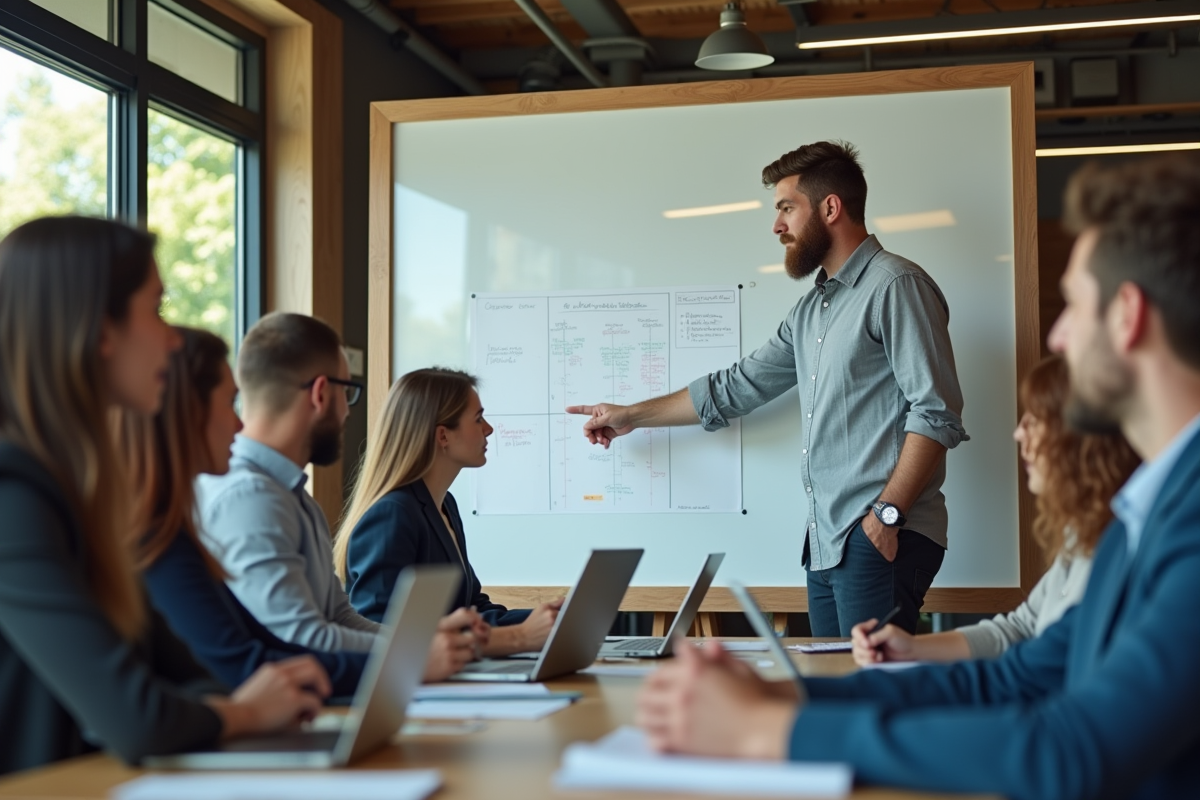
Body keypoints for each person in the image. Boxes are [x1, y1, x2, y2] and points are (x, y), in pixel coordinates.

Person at [635, 154, 1200, 799]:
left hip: (874, 532)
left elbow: (1068, 751)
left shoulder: (1184, 522)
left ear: (1127, 316)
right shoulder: (1138, 518)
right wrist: (792, 699)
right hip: (826, 535)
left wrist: (774, 731)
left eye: (1073, 305)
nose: (1060, 337)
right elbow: (1015, 676)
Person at [568, 141, 968, 636]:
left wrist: (886, 516)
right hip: (828, 541)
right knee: (832, 688)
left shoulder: (895, 285)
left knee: (870, 694)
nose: (777, 226)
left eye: (785, 208)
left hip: (880, 534)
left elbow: (936, 411)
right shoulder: (811, 312)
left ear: (830, 207)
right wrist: (630, 414)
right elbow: (738, 385)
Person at [0, 217, 328, 775]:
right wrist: (243, 715)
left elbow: (182, 672)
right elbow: (136, 718)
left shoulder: (78, 489)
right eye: (155, 310)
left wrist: (236, 705)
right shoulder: (12, 495)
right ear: (99, 329)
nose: (173, 338)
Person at [195, 312, 479, 677]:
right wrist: (411, 655)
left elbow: (340, 617)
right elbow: (301, 638)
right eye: (347, 393)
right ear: (320, 393)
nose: (347, 411)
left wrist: (416, 645)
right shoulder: (252, 499)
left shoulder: (295, 497)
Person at [119, 326, 370, 695]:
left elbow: (270, 651)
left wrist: (413, 655)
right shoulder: (238, 503)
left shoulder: (171, 529)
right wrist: (410, 660)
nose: (239, 425)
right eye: (228, 403)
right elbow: (254, 662)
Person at [854, 355, 1139, 665]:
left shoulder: (1122, 544)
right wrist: (911, 647)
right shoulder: (1081, 536)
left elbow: (1037, 664)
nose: (1019, 433)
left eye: (1035, 419)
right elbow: (1020, 627)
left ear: (1082, 438)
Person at [334, 368, 563, 657]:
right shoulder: (392, 514)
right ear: (443, 435)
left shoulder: (445, 505)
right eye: (478, 419)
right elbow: (380, 629)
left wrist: (545, 619)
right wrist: (520, 636)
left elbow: (470, 610)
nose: (488, 428)